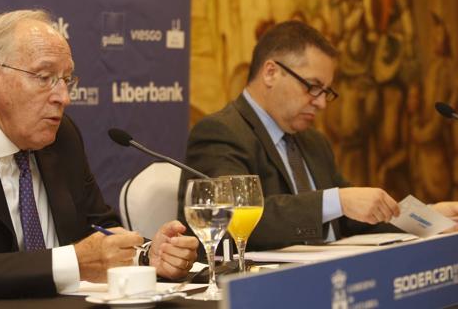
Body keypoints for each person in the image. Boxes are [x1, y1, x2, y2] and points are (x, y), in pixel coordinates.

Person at [0, 9, 198, 308]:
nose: (64, 97)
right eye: (45, 76)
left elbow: (99, 227)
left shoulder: (61, 138)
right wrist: (73, 262)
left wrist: (146, 254)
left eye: (66, 79)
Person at [178, 20, 458, 250]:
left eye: (326, 92)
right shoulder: (221, 132)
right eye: (313, 87)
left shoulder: (313, 141)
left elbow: (351, 218)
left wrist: (426, 217)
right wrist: (336, 200)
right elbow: (228, 220)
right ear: (271, 73)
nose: (322, 103)